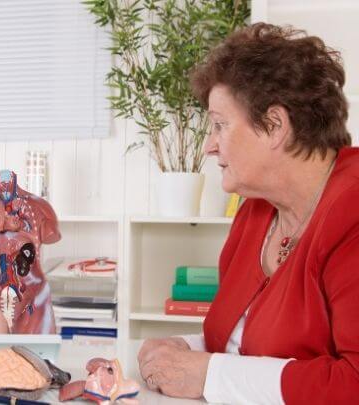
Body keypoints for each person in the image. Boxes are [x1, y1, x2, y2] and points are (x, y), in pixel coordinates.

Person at [137, 22, 359, 404]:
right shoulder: (256, 210)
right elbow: (246, 341)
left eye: (220, 125)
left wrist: (205, 374)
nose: (209, 146)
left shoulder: (352, 212)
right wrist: (181, 349)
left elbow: (353, 383)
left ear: (274, 126)